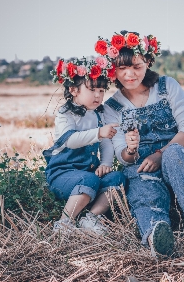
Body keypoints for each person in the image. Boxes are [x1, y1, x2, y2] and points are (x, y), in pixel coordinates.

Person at [96, 31, 184, 257]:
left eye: (136, 67)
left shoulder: (166, 86)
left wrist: (160, 153)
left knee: (174, 155)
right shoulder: (111, 107)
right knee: (142, 187)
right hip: (141, 166)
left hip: (176, 157)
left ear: (148, 62)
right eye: (122, 69)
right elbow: (122, 155)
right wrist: (131, 149)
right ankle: (156, 238)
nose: (129, 74)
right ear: (113, 69)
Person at [43, 57, 126, 235]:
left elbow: (106, 143)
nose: (98, 95)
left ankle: (90, 218)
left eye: (102, 90)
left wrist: (106, 163)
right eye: (92, 89)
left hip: (88, 173)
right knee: (89, 180)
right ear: (73, 90)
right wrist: (98, 132)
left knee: (117, 178)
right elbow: (70, 140)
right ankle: (65, 222)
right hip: (62, 174)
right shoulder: (66, 114)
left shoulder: (98, 114)